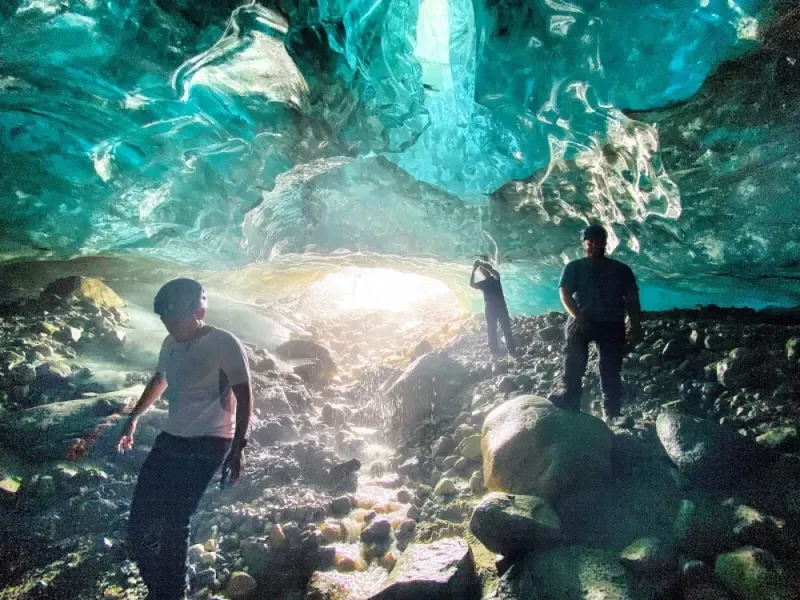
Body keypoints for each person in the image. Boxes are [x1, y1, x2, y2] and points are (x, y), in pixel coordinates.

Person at [117, 278, 252, 600]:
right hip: (172, 437)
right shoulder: (170, 342)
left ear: (198, 312)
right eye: (165, 319)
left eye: (175, 320)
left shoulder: (223, 343)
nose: (170, 326)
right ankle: (162, 588)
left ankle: (172, 592)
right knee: (139, 525)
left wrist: (238, 448)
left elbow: (245, 396)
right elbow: (160, 379)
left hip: (210, 441)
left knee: (175, 520)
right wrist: (133, 418)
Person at [548, 224, 642, 420]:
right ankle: (573, 398)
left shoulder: (621, 269)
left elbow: (632, 299)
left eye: (600, 241)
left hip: (611, 324)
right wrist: (577, 315)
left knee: (610, 368)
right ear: (585, 244)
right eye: (592, 241)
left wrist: (635, 327)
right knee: (577, 362)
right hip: (585, 321)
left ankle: (611, 410)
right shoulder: (575, 267)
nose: (596, 245)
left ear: (606, 243)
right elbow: (565, 294)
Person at [470, 259, 517, 358]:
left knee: (506, 328)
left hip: (501, 306)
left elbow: (496, 274)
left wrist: (488, 267)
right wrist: (474, 270)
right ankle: (494, 352)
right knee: (491, 330)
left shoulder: (496, 278)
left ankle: (512, 352)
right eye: (481, 270)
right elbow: (472, 284)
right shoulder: (483, 283)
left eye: (484, 270)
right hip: (489, 308)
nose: (483, 271)